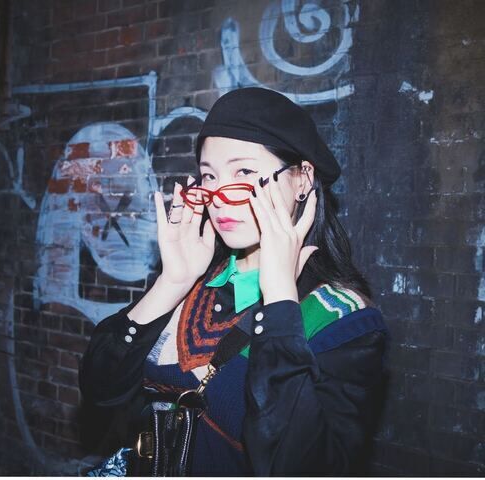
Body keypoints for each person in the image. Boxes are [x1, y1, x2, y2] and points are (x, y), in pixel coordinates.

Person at [78, 87, 389, 476]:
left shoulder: (340, 317)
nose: (220, 196)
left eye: (244, 172)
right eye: (209, 176)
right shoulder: (197, 280)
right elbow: (100, 391)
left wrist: (280, 300)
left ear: (302, 179)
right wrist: (172, 282)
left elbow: (297, 465)